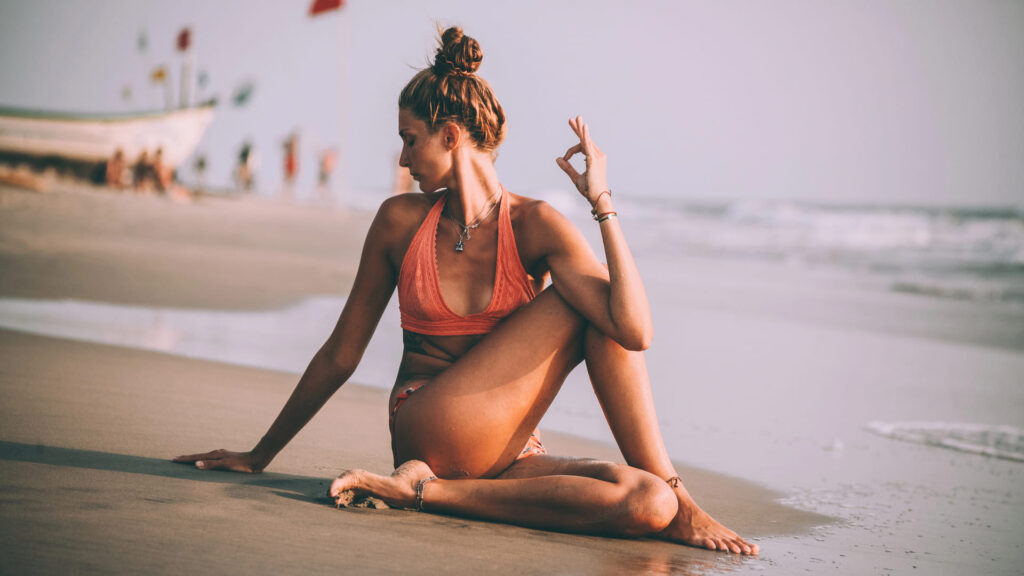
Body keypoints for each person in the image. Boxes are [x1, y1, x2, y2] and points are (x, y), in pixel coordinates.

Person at [175, 26, 757, 555]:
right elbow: (341, 352)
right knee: (587, 311)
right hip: (427, 423)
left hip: (504, 455)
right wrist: (261, 454)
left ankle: (432, 494)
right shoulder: (399, 222)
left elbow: (636, 331)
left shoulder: (535, 225)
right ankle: (684, 503)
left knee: (644, 500)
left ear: (449, 135)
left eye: (410, 140)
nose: (404, 160)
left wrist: (601, 204)